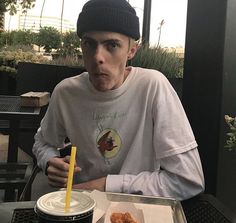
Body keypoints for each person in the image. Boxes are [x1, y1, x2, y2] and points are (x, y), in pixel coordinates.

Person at [32, 0, 204, 200]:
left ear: (132, 51)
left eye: (112, 45)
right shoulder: (66, 93)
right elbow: (43, 141)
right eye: (89, 44)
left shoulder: (152, 87)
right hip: (82, 205)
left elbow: (189, 180)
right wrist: (49, 160)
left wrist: (106, 184)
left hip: (139, 208)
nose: (98, 57)